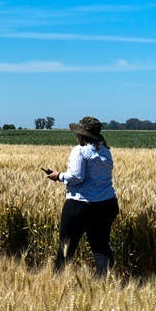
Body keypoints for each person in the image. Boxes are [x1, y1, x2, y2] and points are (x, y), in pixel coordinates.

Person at [46, 116, 119, 276]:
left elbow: (76, 177)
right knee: (101, 247)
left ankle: (57, 282)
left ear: (84, 135)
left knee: (66, 247)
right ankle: (106, 286)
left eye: (78, 133)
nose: (76, 135)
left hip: (80, 206)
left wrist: (58, 176)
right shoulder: (106, 151)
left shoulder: (80, 151)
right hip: (107, 205)